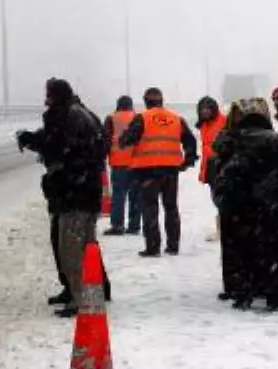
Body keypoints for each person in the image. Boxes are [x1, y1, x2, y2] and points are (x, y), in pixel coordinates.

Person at [17, 78, 108, 316]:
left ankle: (80, 298)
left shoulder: (69, 116)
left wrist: (33, 142)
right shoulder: (80, 114)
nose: (45, 99)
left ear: (56, 96)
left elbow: (58, 145)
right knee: (84, 246)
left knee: (72, 249)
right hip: (82, 192)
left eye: (48, 94)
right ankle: (85, 291)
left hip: (74, 195)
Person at [213, 98, 278, 312]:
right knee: (271, 251)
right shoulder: (276, 140)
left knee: (242, 251)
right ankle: (274, 297)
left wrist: (224, 199)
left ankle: (243, 295)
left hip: (241, 207)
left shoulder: (236, 140)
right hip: (271, 205)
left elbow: (226, 174)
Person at [119, 87, 198, 257]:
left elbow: (127, 139)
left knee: (150, 207)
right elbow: (190, 141)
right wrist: (188, 160)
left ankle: (153, 247)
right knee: (171, 207)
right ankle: (173, 245)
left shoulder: (142, 118)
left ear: (146, 101)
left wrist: (123, 140)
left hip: (148, 171)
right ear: (162, 100)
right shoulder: (176, 118)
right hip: (171, 170)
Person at [102, 95, 142, 236]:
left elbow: (106, 140)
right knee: (136, 195)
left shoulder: (111, 118)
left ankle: (117, 225)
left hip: (118, 162)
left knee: (118, 195)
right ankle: (134, 225)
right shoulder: (138, 117)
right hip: (136, 162)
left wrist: (103, 156)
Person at [196, 96, 227, 242]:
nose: (205, 112)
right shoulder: (204, 125)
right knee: (216, 199)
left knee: (223, 200)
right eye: (202, 110)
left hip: (221, 164)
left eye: (208, 109)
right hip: (210, 166)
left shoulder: (224, 121)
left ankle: (224, 230)